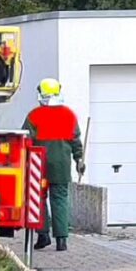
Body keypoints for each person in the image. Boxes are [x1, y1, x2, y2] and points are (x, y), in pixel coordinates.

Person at [21, 78, 85, 252]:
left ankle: (43, 235)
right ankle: (62, 240)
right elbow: (76, 141)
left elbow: (26, 139)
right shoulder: (69, 115)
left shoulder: (34, 115)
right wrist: (79, 160)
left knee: (39, 199)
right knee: (60, 199)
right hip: (62, 166)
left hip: (38, 164)